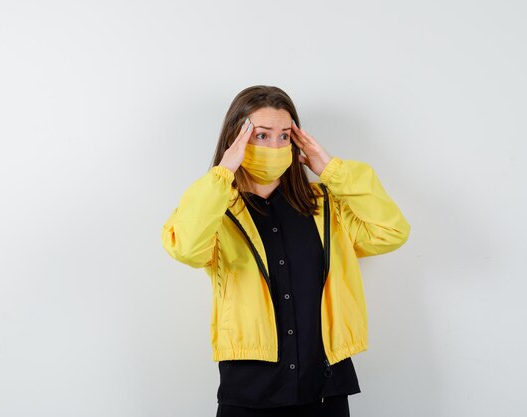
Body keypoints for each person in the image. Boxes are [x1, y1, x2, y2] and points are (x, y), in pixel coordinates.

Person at [161, 85, 411, 417]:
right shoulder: (216, 211)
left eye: (283, 136)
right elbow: (186, 248)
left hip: (324, 388)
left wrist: (333, 170)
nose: (275, 145)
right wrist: (222, 174)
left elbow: (391, 232)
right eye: (261, 135)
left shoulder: (324, 207)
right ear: (235, 140)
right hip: (250, 391)